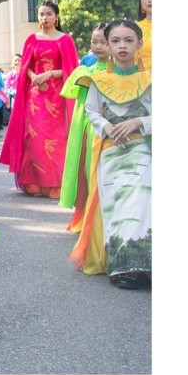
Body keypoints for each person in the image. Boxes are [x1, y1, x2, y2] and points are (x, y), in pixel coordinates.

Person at [60, 18, 153, 290]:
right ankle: (122, 266)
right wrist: (109, 127)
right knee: (116, 205)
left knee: (140, 204)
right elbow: (91, 112)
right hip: (111, 152)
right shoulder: (97, 80)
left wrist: (138, 123)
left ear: (140, 44)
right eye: (115, 41)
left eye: (128, 40)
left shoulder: (152, 80)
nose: (122, 46)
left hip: (144, 151)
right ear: (108, 45)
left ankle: (145, 262)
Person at [1, 0, 80, 196]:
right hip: (34, 96)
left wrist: (51, 74)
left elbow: (72, 69)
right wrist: (34, 76)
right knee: (34, 138)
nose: (44, 18)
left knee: (56, 139)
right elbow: (25, 67)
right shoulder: (32, 39)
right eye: (41, 14)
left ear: (57, 17)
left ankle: (56, 183)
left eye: (48, 14)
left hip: (57, 97)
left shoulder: (65, 40)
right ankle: (32, 180)